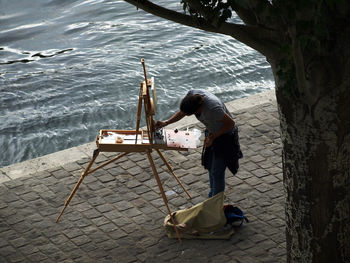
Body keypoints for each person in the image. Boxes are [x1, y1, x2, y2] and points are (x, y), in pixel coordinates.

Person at [155, 89, 242, 198]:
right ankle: (212, 196)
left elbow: (231, 124)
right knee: (210, 166)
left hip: (225, 136)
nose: (185, 115)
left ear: (197, 110)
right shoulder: (192, 96)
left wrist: (213, 137)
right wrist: (166, 122)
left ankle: (216, 201)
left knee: (217, 171)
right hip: (212, 133)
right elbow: (182, 113)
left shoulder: (213, 108)